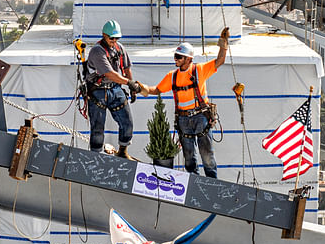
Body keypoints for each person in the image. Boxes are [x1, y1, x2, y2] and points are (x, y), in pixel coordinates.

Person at [142, 28, 230, 178]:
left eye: (179, 57)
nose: (175, 59)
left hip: (201, 117)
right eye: (175, 56)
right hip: (183, 120)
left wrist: (223, 43)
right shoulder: (172, 76)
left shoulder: (200, 70)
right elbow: (157, 90)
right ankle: (193, 182)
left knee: (206, 155)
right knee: (189, 157)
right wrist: (140, 87)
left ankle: (213, 183)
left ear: (189, 59)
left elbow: (220, 60)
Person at [84, 20, 142, 158]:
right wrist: (129, 83)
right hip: (98, 92)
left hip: (115, 89)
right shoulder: (97, 51)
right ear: (104, 35)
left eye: (117, 38)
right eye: (111, 38)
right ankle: (95, 156)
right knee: (98, 128)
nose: (114, 40)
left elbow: (126, 68)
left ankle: (123, 151)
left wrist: (132, 86)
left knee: (127, 122)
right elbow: (110, 74)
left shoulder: (119, 48)